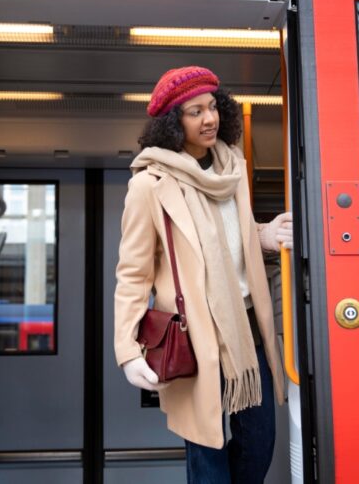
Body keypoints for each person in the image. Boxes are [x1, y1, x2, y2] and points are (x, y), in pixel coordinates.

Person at [114, 66, 293, 483]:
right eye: (195, 112)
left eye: (213, 107)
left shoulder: (231, 168)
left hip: (244, 324)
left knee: (260, 441)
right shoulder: (149, 185)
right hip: (193, 331)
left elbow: (230, 236)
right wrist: (126, 349)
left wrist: (264, 236)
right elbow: (133, 273)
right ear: (173, 124)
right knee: (207, 449)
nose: (209, 118)